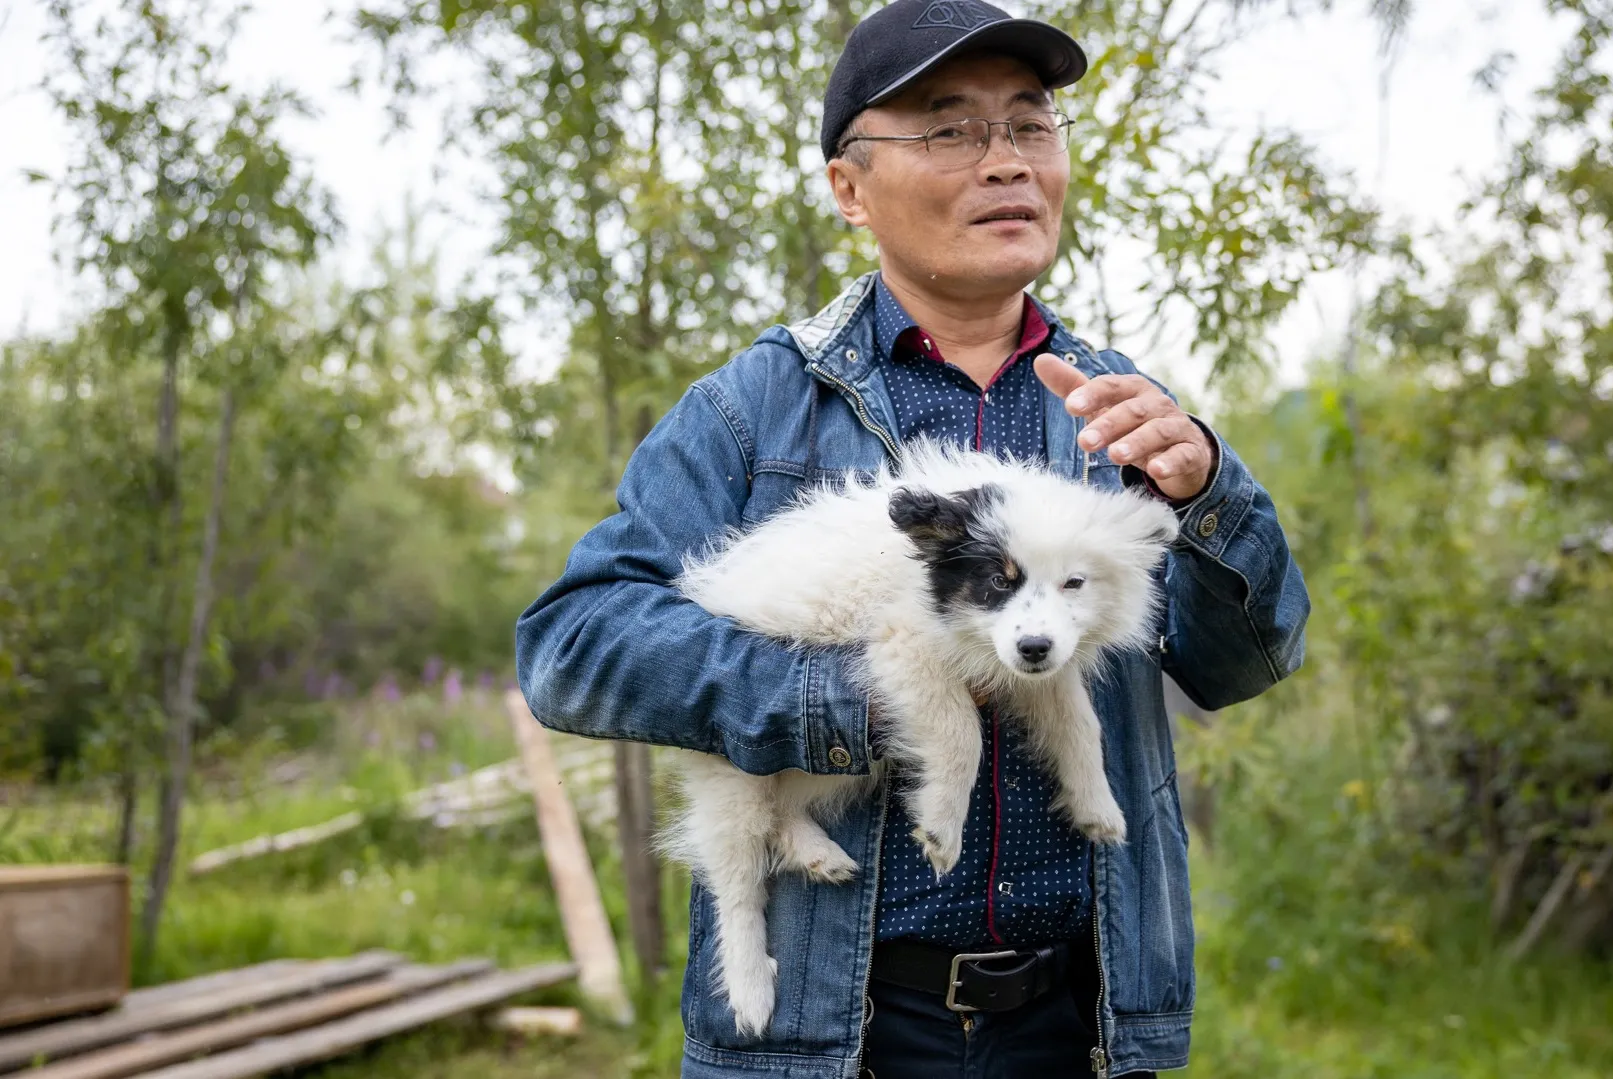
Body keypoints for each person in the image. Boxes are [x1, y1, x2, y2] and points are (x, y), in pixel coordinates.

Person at [514, 2, 1310, 1075]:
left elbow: (1249, 659)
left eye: (1030, 126)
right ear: (850, 188)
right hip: (836, 1032)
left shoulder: (1122, 413)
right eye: (950, 131)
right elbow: (572, 646)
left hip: (1080, 1023)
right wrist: (854, 700)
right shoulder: (756, 408)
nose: (1006, 163)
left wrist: (1210, 486)